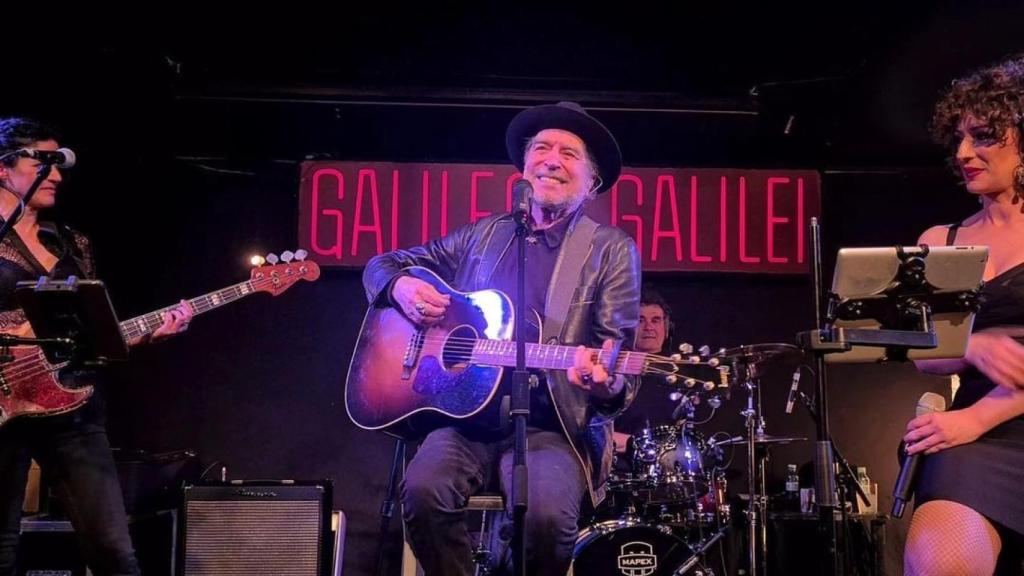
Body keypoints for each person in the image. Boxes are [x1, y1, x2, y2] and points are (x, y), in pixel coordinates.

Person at [362, 101, 641, 576]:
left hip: (552, 428)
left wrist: (602, 382)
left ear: (591, 181)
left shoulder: (609, 248)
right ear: (525, 166)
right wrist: (400, 286)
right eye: (542, 148)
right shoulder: (483, 235)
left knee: (548, 520)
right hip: (466, 419)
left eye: (569, 153)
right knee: (423, 492)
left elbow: (617, 363)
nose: (552, 159)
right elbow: (382, 264)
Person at [0, 117, 193, 576]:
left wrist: (148, 332)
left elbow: (94, 329)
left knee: (113, 550)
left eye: (60, 163)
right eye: (44, 162)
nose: (58, 175)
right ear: (4, 169)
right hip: (4, 405)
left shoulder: (72, 242)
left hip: (74, 408)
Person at [902, 56, 1024, 576]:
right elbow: (926, 359)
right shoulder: (941, 242)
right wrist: (969, 344)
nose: (964, 152)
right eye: (959, 138)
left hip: (983, 421)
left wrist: (977, 417)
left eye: (983, 135)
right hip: (976, 444)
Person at [613, 287, 675, 452]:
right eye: (640, 320)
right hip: (622, 468)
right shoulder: (614, 373)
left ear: (666, 327)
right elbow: (597, 430)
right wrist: (638, 445)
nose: (648, 327)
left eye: (655, 320)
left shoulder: (681, 374)